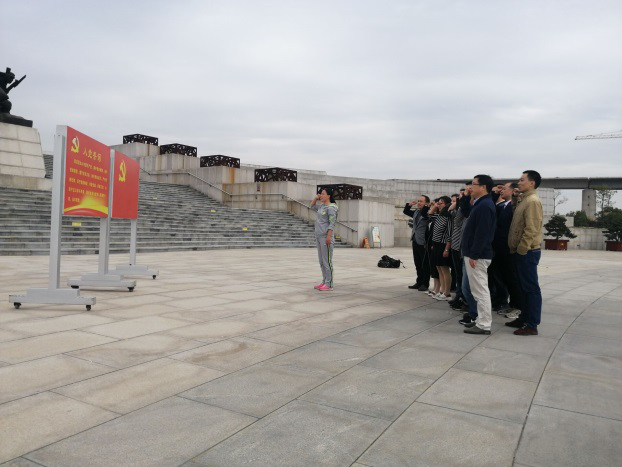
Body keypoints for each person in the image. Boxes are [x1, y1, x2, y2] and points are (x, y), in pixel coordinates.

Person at [507, 170, 544, 336]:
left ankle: (532, 324)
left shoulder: (533, 201)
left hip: (527, 252)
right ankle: (523, 317)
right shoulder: (524, 200)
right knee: (522, 287)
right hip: (520, 251)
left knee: (530, 288)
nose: (519, 182)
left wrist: (522, 249)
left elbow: (532, 228)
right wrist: (515, 199)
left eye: (522, 180)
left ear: (532, 183)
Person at [462, 175, 496, 335]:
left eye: (474, 184)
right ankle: (480, 320)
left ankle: (484, 324)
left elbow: (482, 233)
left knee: (480, 290)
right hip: (475, 254)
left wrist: (474, 255)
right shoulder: (481, 203)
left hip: (478, 256)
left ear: (483, 187)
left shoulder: (485, 205)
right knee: (477, 290)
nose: (471, 187)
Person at [310, 188, 339, 291]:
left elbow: (332, 223)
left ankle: (329, 283)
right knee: (321, 261)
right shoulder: (322, 206)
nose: (320, 195)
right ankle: (324, 281)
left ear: (328, 196)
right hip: (319, 236)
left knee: (327, 261)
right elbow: (312, 206)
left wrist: (328, 236)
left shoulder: (331, 208)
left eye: (323, 194)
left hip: (325, 237)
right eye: (320, 194)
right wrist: (315, 198)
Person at [428, 196, 453, 301]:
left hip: (443, 245)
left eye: (441, 203)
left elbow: (450, 234)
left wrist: (446, 249)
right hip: (436, 244)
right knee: (438, 268)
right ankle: (442, 290)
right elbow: (429, 215)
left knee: (444, 268)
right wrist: (434, 206)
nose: (438, 205)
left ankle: (447, 293)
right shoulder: (439, 215)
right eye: (438, 203)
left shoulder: (449, 217)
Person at [403, 195, 430, 290]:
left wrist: (427, 207)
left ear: (426, 203)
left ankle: (425, 284)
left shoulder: (428, 213)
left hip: (423, 241)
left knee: (424, 263)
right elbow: (406, 211)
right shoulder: (416, 212)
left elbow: (424, 214)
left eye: (421, 201)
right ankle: (419, 282)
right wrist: (409, 204)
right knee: (417, 263)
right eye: (418, 201)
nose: (419, 203)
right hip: (415, 239)